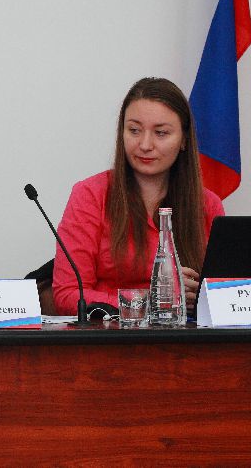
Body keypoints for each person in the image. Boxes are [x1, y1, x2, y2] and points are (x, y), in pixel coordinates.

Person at [52, 77, 225, 316]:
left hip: (184, 335)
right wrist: (149, 301)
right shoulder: (90, 195)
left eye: (161, 133)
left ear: (184, 139)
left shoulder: (208, 204)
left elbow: (223, 297)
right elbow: (68, 294)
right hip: (110, 336)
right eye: (134, 130)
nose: (145, 144)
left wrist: (200, 298)